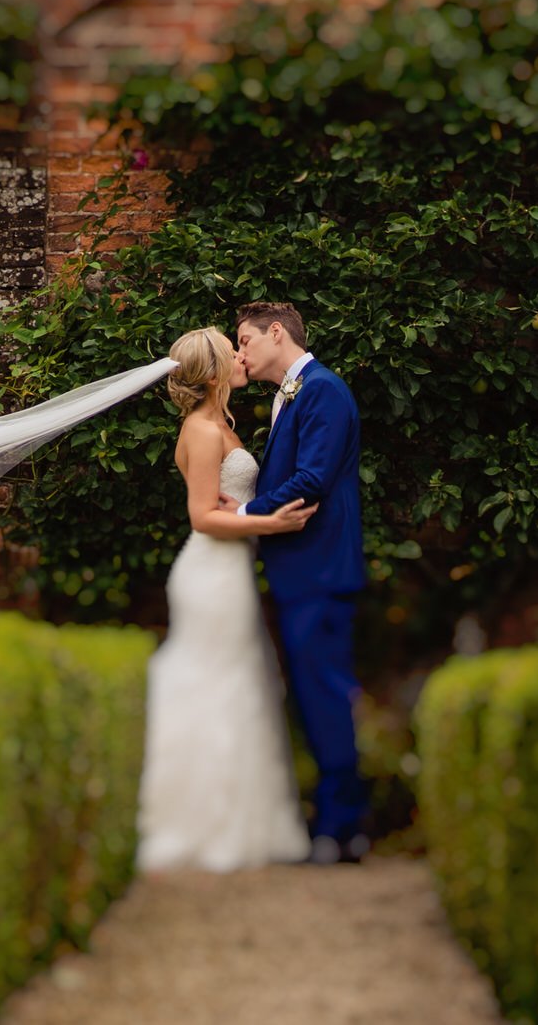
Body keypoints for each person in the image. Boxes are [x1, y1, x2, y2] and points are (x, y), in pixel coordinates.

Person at [135, 327, 317, 872]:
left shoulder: (220, 426)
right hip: (211, 572)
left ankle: (239, 821)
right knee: (216, 685)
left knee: (238, 683)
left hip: (227, 571)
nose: (241, 357)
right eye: (230, 351)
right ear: (214, 373)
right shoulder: (204, 431)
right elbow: (202, 518)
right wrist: (272, 522)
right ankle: (201, 824)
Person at [230, 302, 371, 865]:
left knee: (326, 696)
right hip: (300, 570)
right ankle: (336, 824)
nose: (240, 353)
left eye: (244, 341)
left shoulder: (322, 390)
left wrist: (243, 515)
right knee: (313, 699)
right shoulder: (291, 392)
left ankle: (343, 830)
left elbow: (310, 480)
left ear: (276, 333)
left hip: (320, 570)